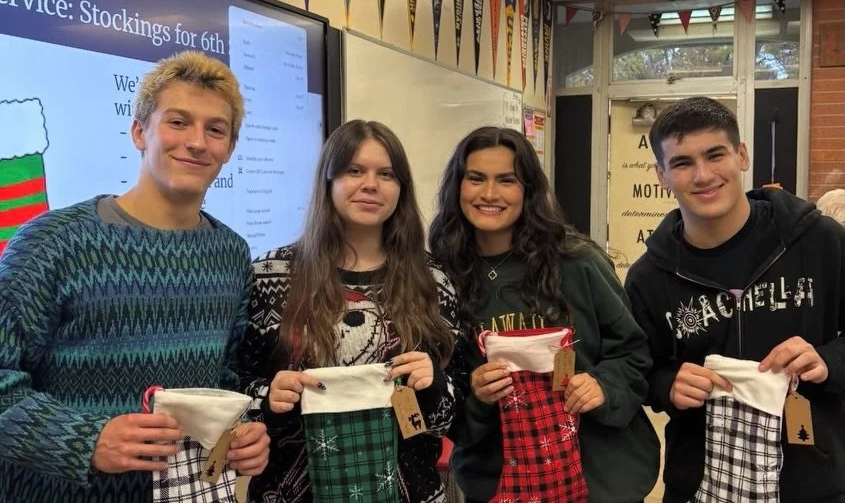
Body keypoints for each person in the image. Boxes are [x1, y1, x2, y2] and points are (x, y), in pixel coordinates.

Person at [0, 51, 269, 502]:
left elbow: (224, 379)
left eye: (215, 129)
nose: (198, 142)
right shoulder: (54, 242)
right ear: (139, 132)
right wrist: (82, 440)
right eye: (178, 122)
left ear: (230, 148)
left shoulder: (231, 254)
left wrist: (241, 430)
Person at [625, 96, 845, 503]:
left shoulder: (820, 243)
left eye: (715, 155)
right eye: (683, 163)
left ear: (742, 155)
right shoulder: (648, 278)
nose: (703, 175)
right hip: (699, 485)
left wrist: (827, 360)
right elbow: (637, 369)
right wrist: (667, 384)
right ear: (661, 175)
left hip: (813, 482)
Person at [428, 126, 659, 503]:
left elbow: (635, 353)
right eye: (476, 179)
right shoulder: (440, 278)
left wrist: (603, 385)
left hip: (600, 479)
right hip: (498, 483)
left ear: (528, 190)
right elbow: (444, 394)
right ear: (458, 187)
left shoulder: (578, 261)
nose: (489, 194)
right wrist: (478, 395)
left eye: (507, 180)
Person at [238, 119, 465, 502]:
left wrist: (434, 384)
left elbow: (451, 418)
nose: (371, 184)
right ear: (328, 182)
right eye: (354, 170)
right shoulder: (268, 276)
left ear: (401, 189)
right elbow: (236, 391)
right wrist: (268, 398)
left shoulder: (434, 280)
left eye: (386, 174)